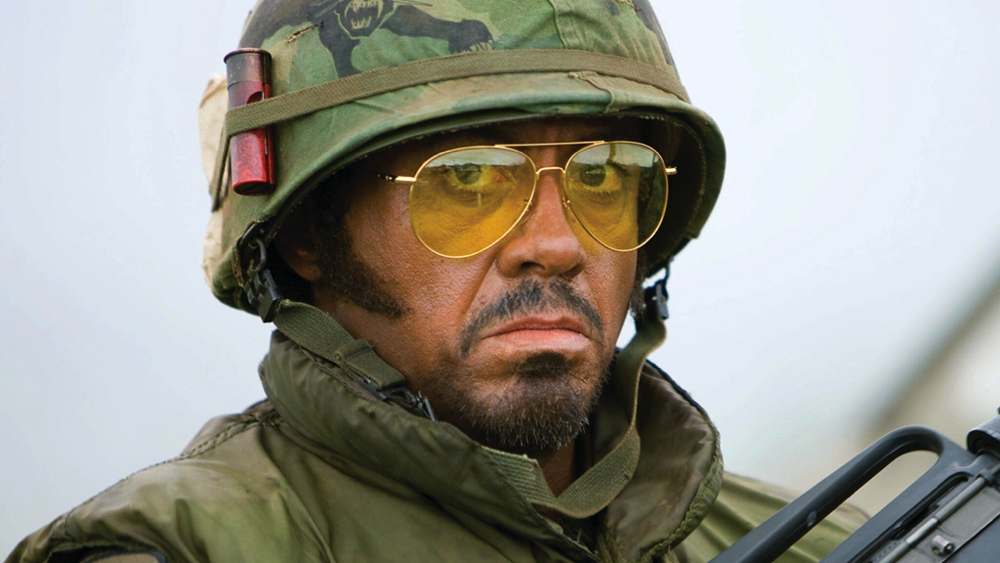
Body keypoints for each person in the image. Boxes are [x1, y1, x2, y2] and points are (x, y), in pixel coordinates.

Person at [6, 1, 867, 562]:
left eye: (605, 176)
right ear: (308, 232)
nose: (557, 245)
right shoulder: (185, 548)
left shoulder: (818, 541)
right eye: (468, 180)